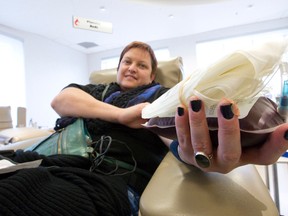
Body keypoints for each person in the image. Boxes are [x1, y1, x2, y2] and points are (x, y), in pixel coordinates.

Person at [1, 41, 287, 216]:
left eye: (141, 65)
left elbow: (175, 141)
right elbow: (61, 100)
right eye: (127, 62)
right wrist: (122, 115)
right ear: (117, 68)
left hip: (105, 180)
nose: (131, 68)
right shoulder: (96, 90)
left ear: (152, 75)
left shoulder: (163, 96)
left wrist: (198, 153)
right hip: (46, 159)